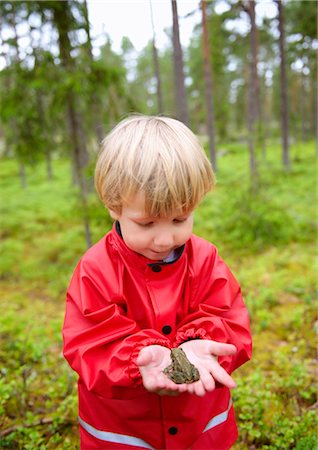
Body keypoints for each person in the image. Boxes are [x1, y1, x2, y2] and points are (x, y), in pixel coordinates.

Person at [63, 115, 252, 450]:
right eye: (147, 222)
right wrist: (137, 359)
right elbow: (88, 343)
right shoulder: (96, 269)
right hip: (124, 430)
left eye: (180, 219)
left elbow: (228, 319)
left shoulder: (205, 260)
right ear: (113, 206)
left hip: (197, 425)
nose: (165, 238)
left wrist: (201, 340)